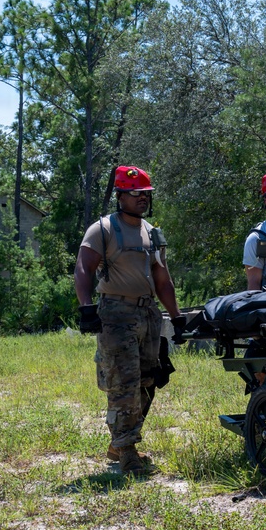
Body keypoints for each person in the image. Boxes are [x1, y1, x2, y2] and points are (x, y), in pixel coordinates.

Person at [74, 165, 185, 474]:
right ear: (120, 195)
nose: (142, 199)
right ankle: (127, 453)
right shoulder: (103, 229)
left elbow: (163, 279)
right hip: (115, 314)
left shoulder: (153, 233)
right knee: (123, 383)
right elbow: (83, 267)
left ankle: (120, 442)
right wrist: (86, 306)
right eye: (136, 193)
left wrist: (176, 317)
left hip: (148, 314)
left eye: (146, 194)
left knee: (150, 379)